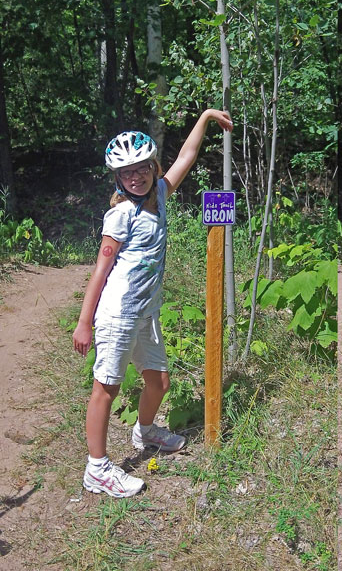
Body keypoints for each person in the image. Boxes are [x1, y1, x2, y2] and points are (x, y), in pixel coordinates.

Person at [73, 109, 233, 498]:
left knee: (159, 382)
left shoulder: (159, 193)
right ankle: (97, 470)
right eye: (127, 173)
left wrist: (207, 117)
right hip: (118, 313)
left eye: (142, 168)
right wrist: (84, 322)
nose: (136, 177)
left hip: (146, 313)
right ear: (118, 178)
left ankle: (145, 433)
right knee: (105, 389)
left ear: (151, 166)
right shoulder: (121, 215)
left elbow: (186, 157)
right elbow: (100, 270)